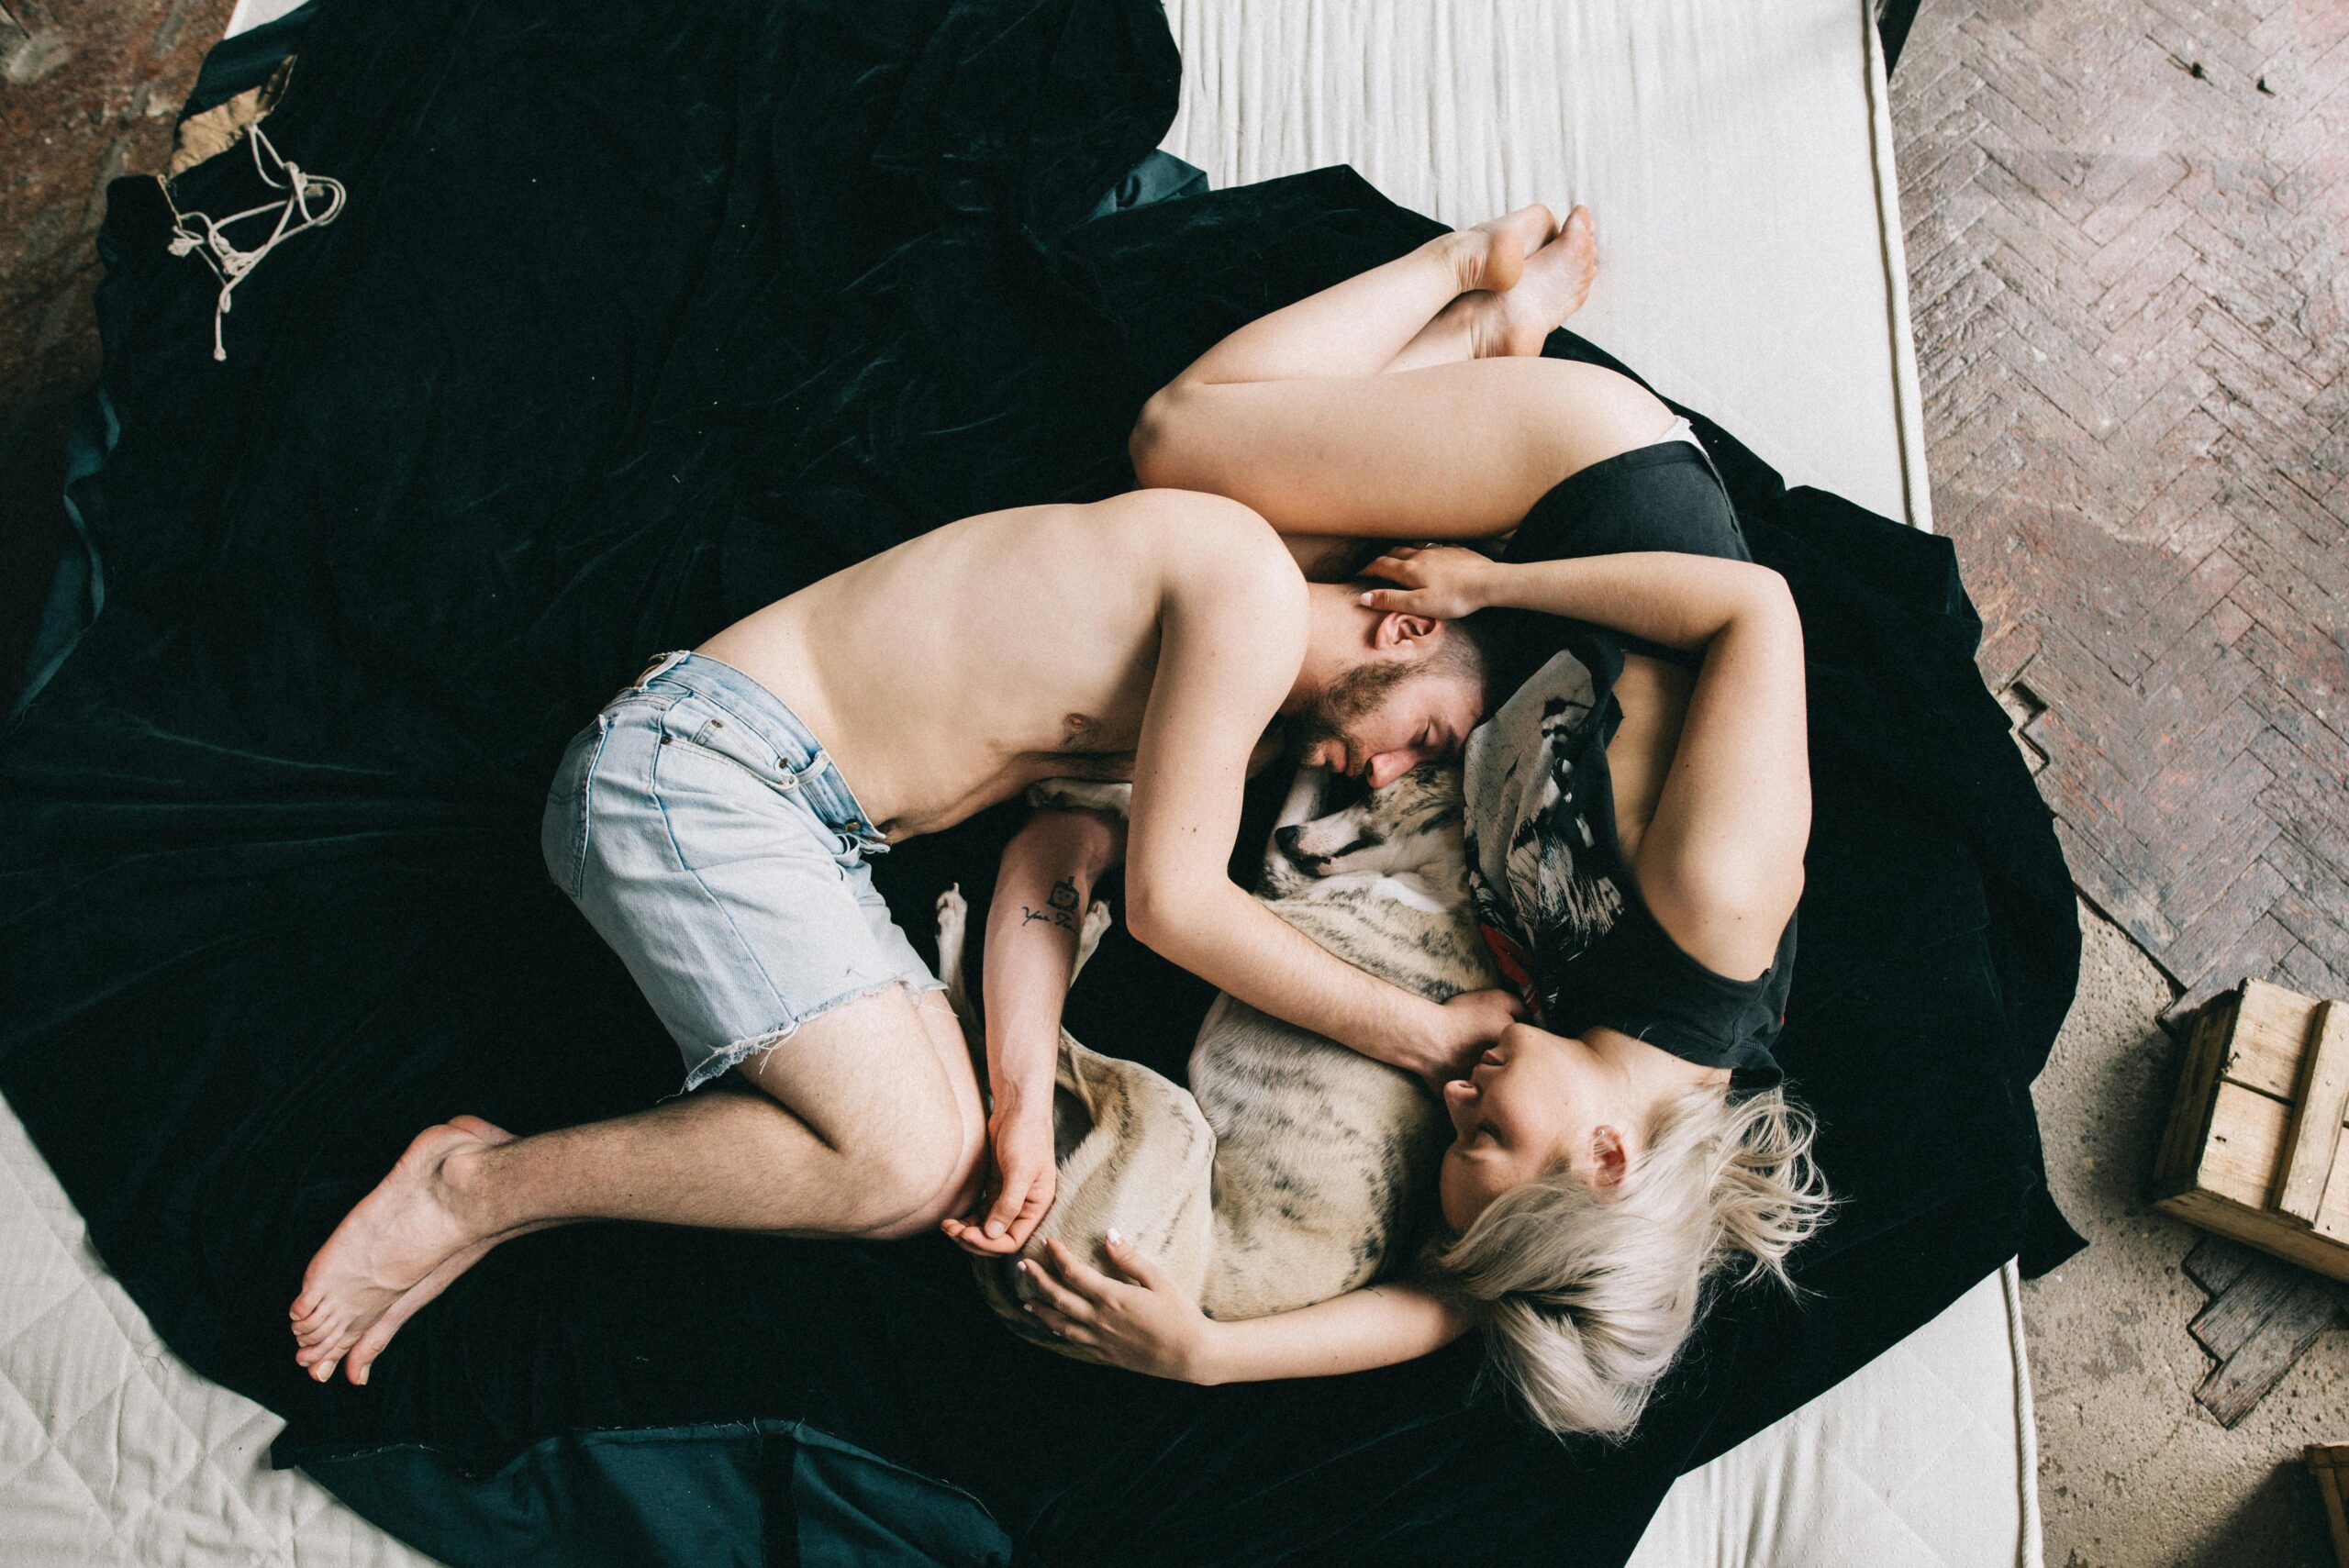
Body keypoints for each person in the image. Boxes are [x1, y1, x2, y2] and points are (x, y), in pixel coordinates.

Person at [280, 215, 1586, 1388]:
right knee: (901, 1162)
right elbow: (1174, 901)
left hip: (803, 834)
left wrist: (1024, 1096)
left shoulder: (1218, 730)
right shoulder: (1238, 577)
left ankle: (497, 1188)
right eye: (1434, 738)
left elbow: (1049, 878)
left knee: (943, 1155)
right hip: (702, 765)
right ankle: (474, 1188)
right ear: (1407, 621)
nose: (1399, 775)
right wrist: (1425, 1034)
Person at [1015, 206, 1831, 1438]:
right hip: (1584, 490)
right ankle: (1484, 297)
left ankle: (1492, 338)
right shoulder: (1715, 909)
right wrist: (1495, 582)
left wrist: (1212, 1354)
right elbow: (1756, 615)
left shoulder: (1596, 1115)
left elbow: (1459, 1300)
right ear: (1605, 1158)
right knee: (1174, 444)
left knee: (1228, 562)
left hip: (1485, 641)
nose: (1456, 1098)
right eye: (1484, 1129)